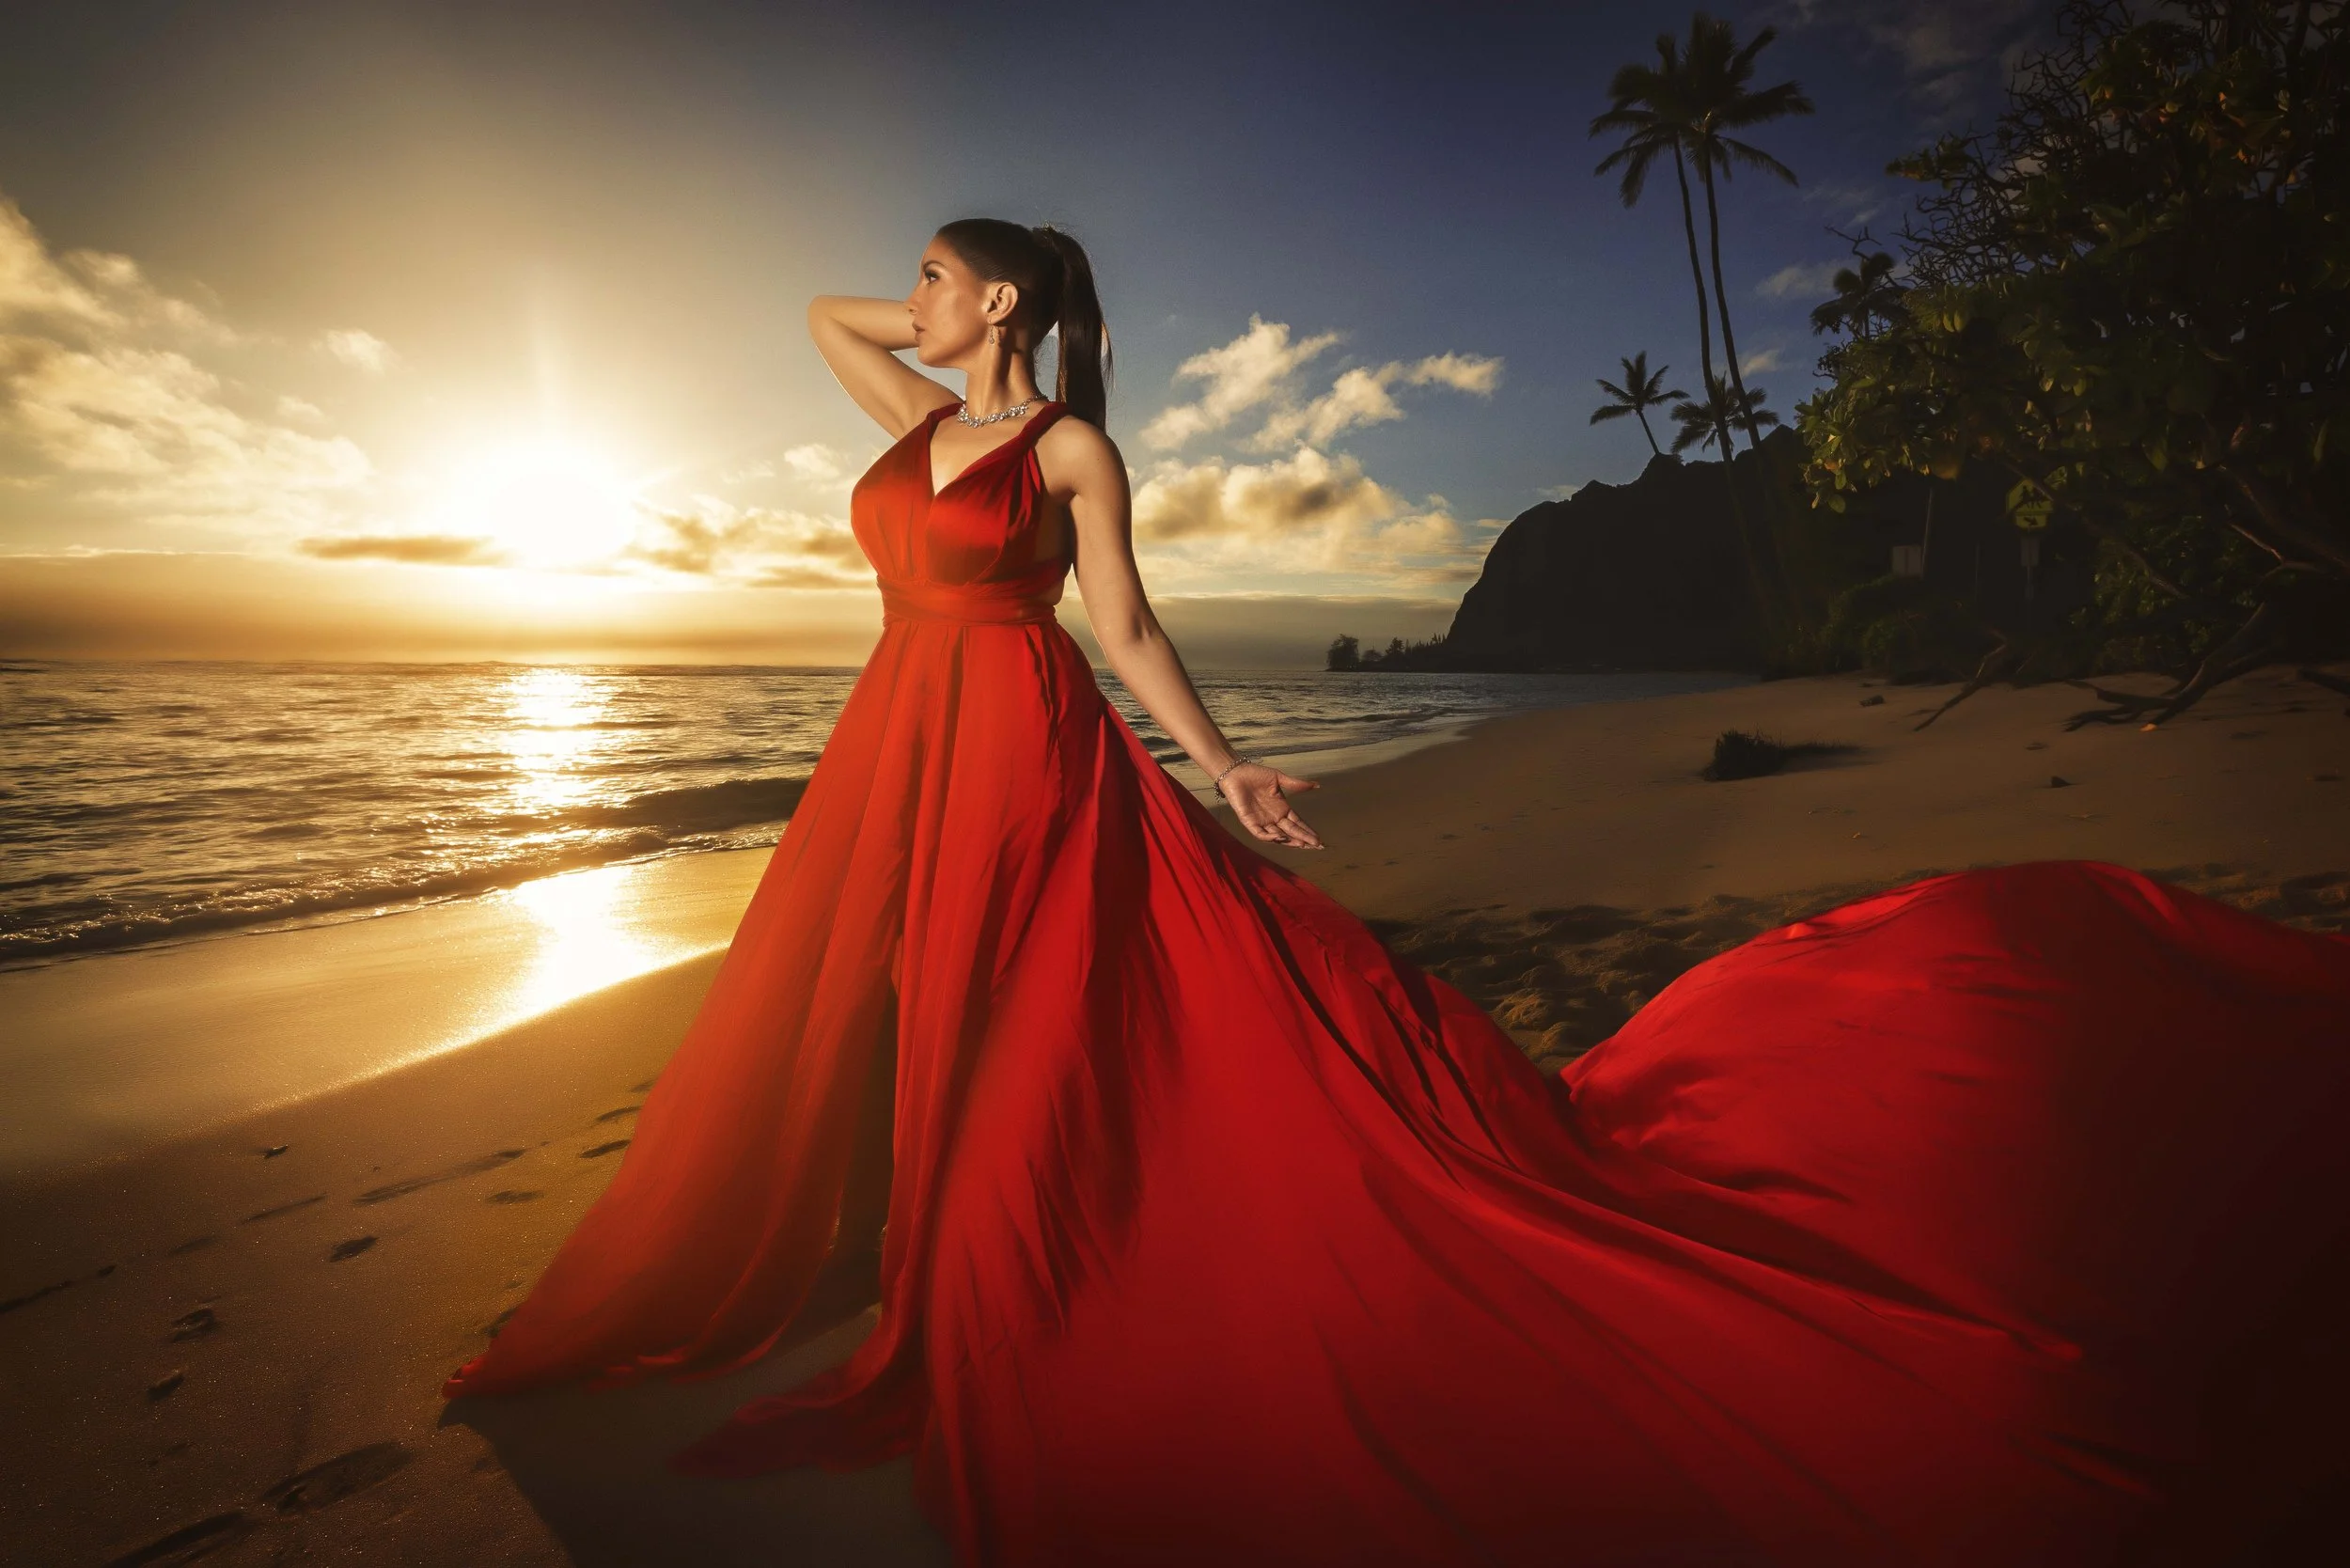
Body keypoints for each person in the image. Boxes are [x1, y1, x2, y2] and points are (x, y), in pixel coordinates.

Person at [442, 218, 2350, 1566]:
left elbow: (1123, 626)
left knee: (1014, 1008)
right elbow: (817, 311)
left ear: (995, 299)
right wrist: (969, 302)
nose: (910, 302)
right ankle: (942, 1253)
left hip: (1022, 741)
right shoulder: (914, 422)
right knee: (909, 994)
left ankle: (995, 1274)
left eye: (936, 277)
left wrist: (1222, 769)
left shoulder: (1065, 445)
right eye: (921, 285)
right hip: (900, 737)